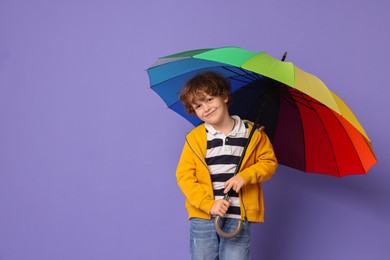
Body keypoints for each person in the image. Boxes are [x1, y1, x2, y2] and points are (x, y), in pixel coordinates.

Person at [176, 71, 278, 260]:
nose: (205, 108)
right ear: (193, 110)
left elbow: (268, 163)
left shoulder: (253, 134)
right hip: (204, 215)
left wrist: (245, 176)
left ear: (224, 96)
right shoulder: (195, 139)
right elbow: (185, 177)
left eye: (209, 99)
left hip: (238, 215)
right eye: (198, 105)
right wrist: (209, 205)